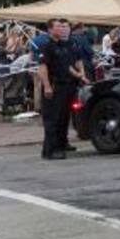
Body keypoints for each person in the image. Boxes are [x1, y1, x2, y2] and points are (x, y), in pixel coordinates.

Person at [36, 18, 86, 161]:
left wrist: (80, 76)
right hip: (54, 86)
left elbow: (67, 66)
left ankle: (61, 144)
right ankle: (50, 150)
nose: (61, 29)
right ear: (50, 30)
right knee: (52, 119)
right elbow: (42, 67)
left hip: (66, 85)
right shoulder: (47, 46)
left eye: (62, 27)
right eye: (57, 27)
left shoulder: (62, 46)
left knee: (63, 118)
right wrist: (47, 86)